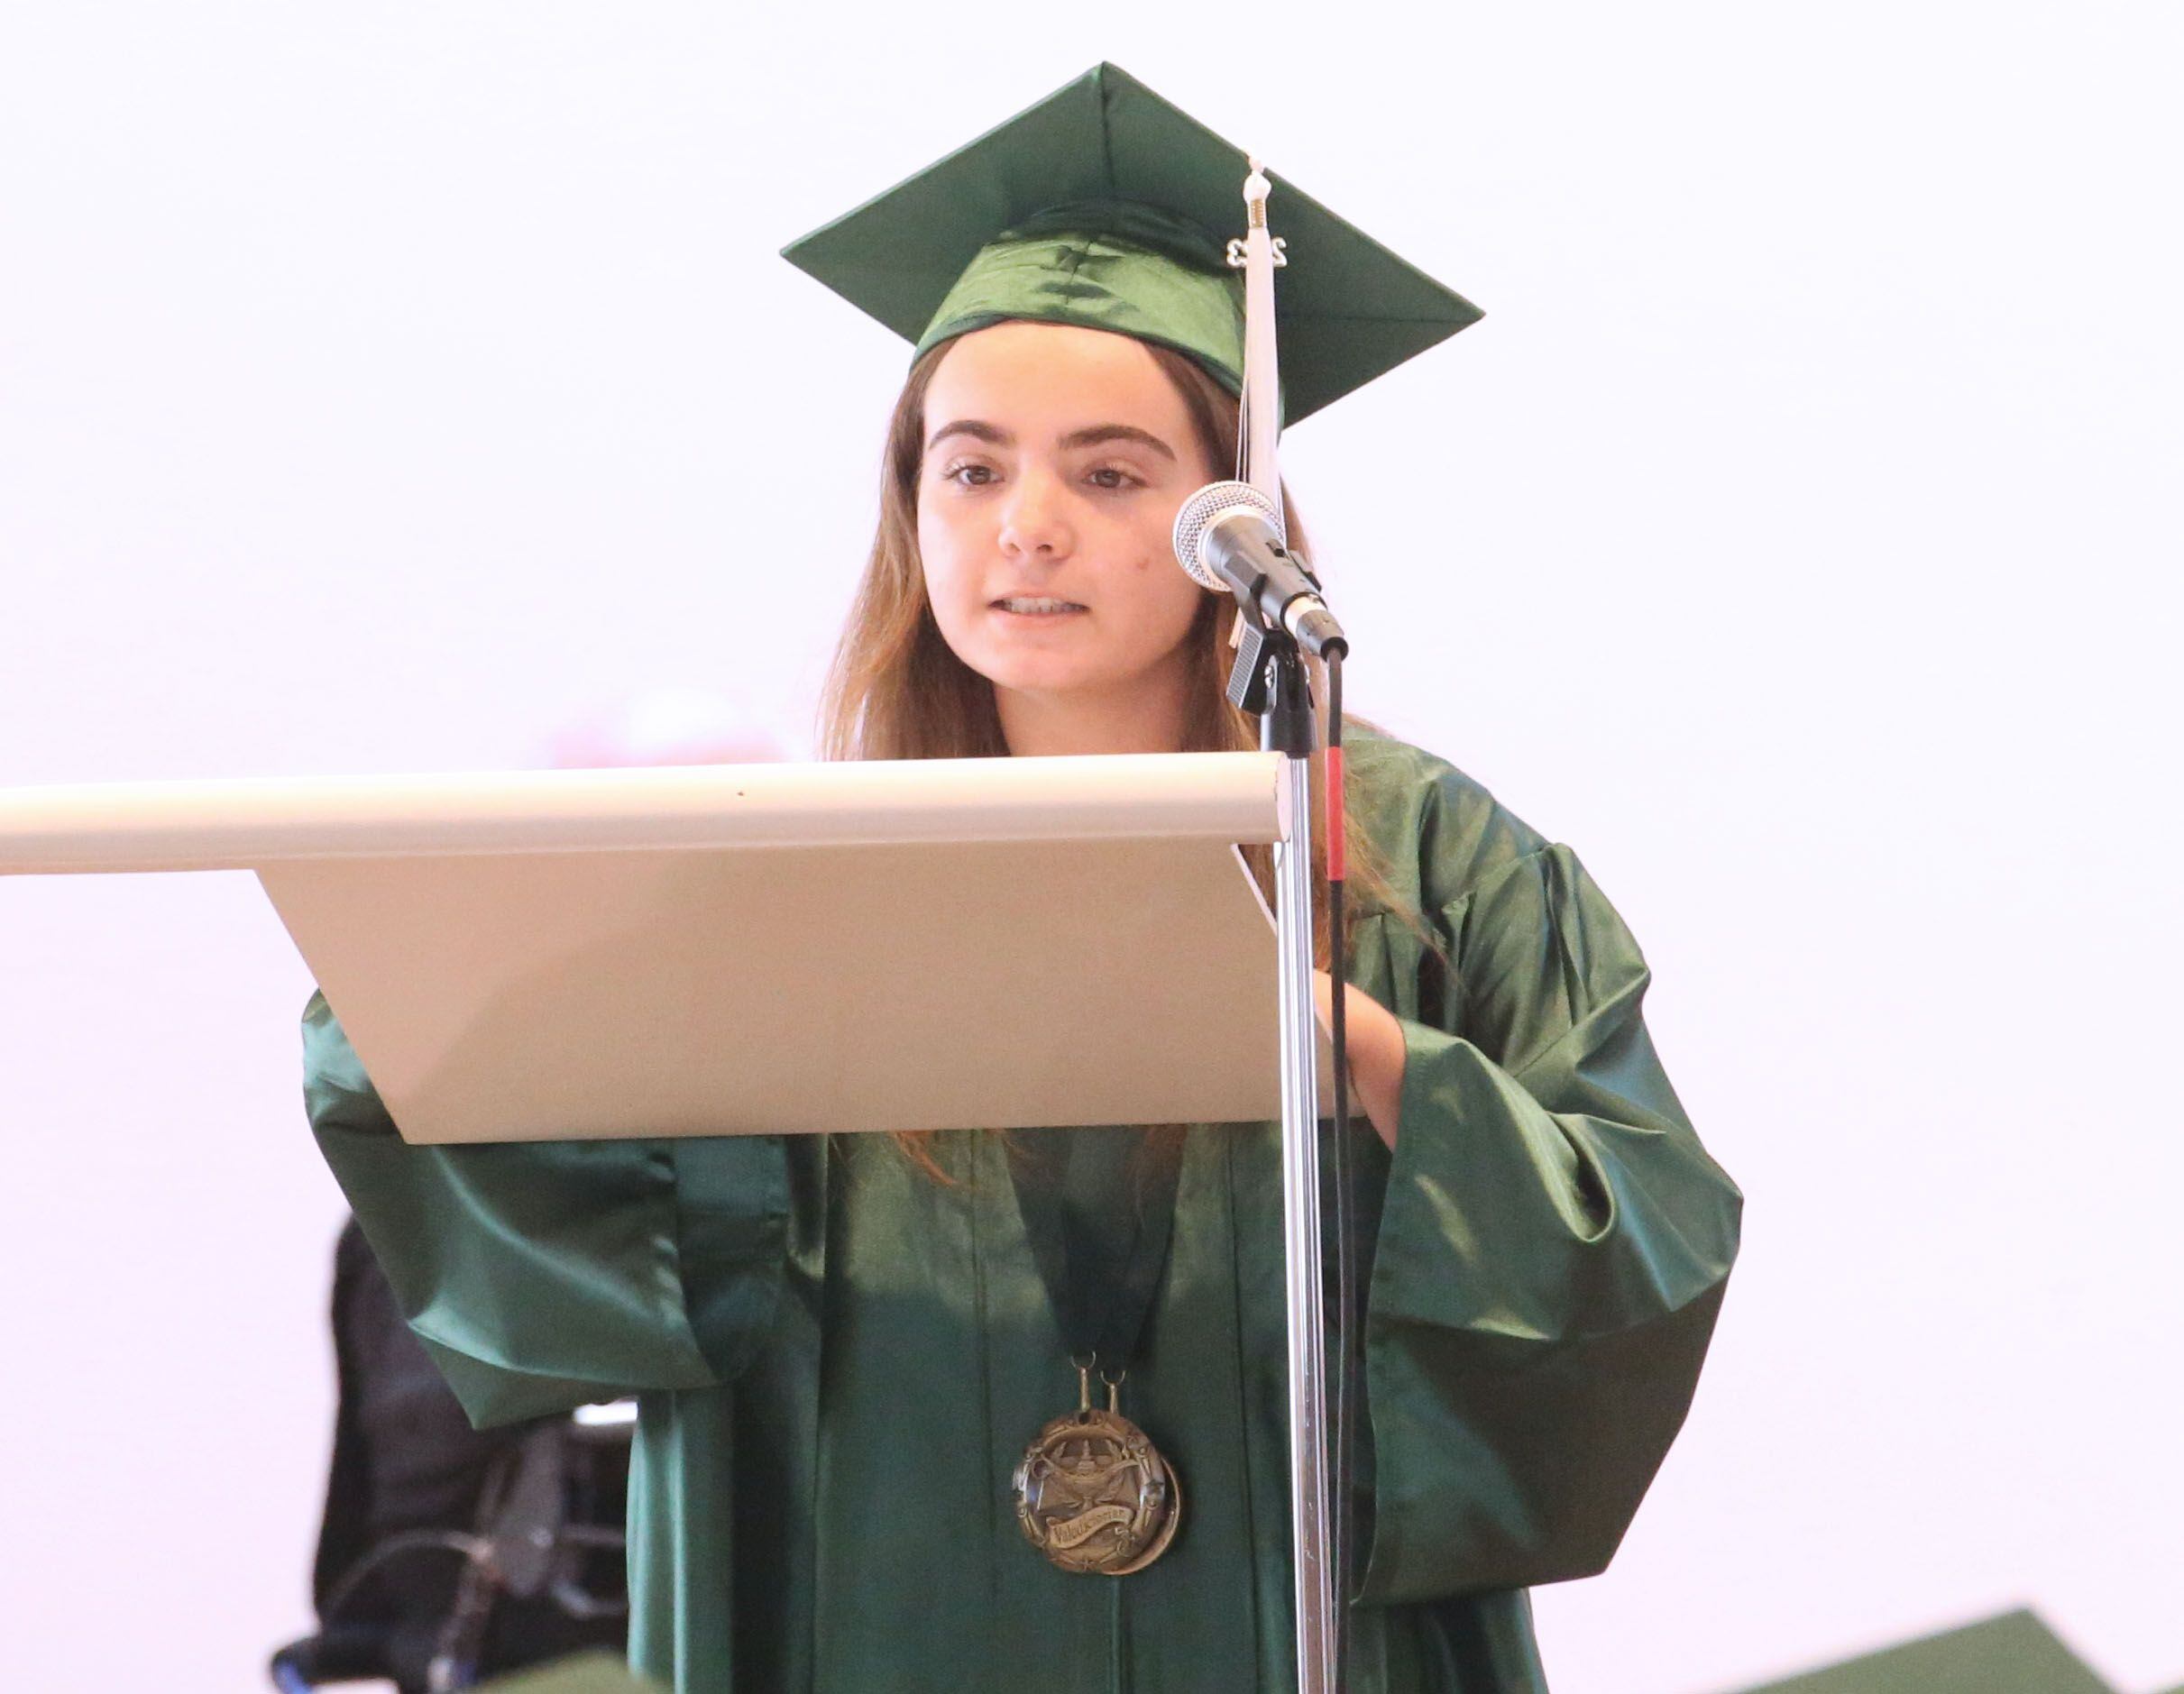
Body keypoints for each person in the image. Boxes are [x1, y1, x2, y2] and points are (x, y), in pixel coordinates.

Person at [307, 64, 1742, 1694]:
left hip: (1289, 1609)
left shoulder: (1426, 857)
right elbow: (590, 1232)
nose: (1026, 529)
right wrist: (513, 965)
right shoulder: (814, 877)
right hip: (883, 1588)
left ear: (1233, 518)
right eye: (972, 470)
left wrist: (1354, 1047)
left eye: (1111, 474)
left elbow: (1638, 1237)